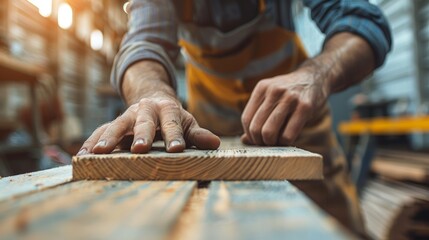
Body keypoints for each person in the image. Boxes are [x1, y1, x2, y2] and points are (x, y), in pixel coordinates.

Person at [78, 0, 391, 236]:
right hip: (208, 131)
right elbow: (143, 44)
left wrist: (316, 75)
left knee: (335, 226)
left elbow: (364, 23)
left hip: (298, 124)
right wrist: (150, 92)